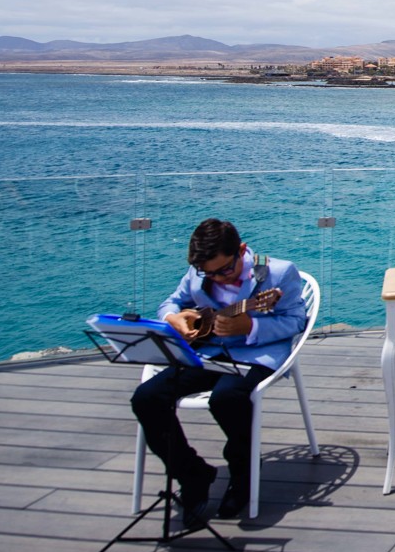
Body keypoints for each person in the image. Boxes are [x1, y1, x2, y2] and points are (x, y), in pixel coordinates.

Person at [130, 218, 309, 524]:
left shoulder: (278, 272)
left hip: (254, 354)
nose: (219, 279)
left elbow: (296, 321)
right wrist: (174, 318)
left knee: (227, 399)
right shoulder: (199, 273)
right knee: (146, 397)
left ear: (241, 251)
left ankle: (243, 476)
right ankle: (192, 474)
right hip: (207, 351)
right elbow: (171, 302)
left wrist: (251, 325)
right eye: (209, 274)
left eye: (225, 270)